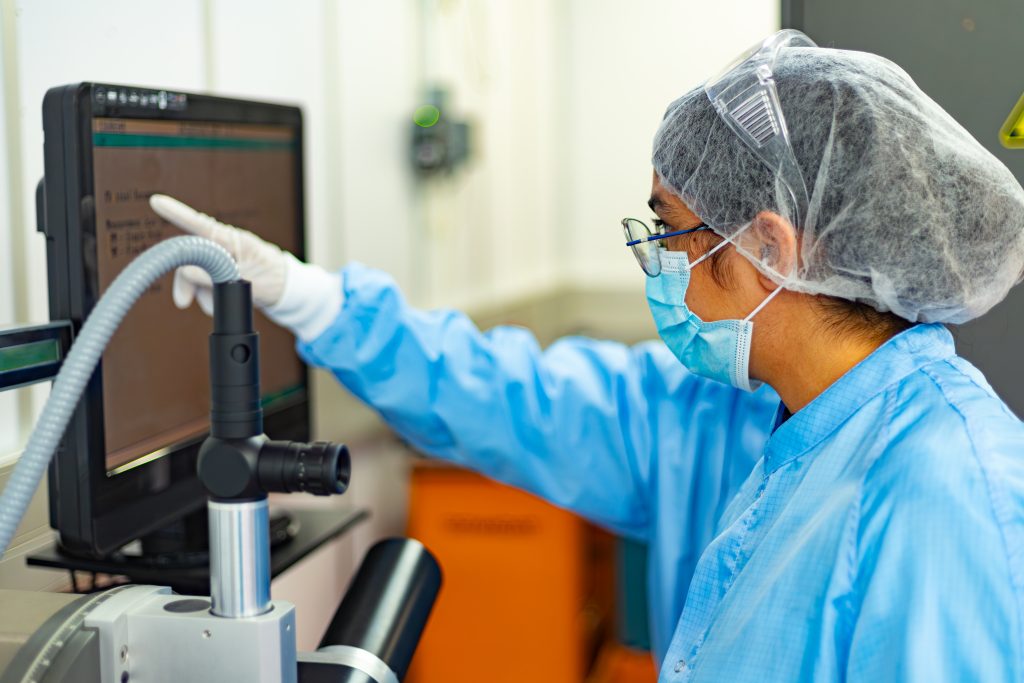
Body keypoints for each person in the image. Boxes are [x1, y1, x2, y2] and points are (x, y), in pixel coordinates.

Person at [151, 30, 1024, 682]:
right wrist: (304, 294)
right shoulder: (727, 409)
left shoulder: (950, 489)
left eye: (670, 229)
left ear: (770, 246)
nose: (658, 260)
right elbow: (508, 394)